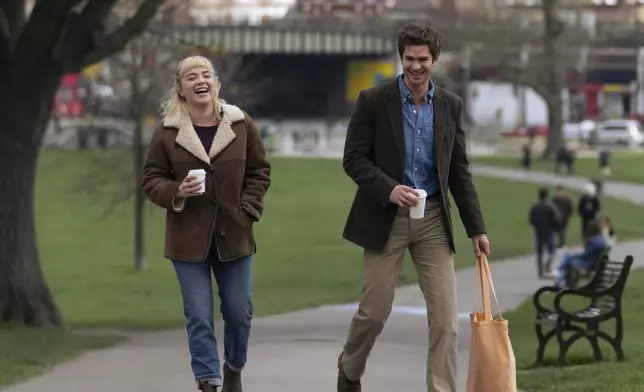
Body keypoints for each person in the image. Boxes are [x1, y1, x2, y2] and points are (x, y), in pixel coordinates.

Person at [338, 24, 490, 392]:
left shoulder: (450, 106)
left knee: (445, 322)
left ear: (435, 60)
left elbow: (459, 170)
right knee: (374, 312)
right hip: (384, 219)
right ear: (401, 58)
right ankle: (350, 369)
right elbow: (353, 159)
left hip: (434, 219)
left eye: (423, 59)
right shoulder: (373, 101)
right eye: (409, 59)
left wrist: (477, 229)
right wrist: (389, 190)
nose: (415, 66)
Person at [141, 56, 271, 392]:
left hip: (235, 234)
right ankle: (208, 381)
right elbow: (151, 178)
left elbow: (260, 170)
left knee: (239, 313)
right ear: (181, 90)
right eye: (190, 77)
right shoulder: (168, 132)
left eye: (206, 75)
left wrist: (248, 208)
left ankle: (234, 368)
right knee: (199, 316)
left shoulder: (240, 125)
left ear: (216, 83)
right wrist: (176, 191)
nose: (200, 81)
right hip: (188, 239)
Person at [553, 219, 610, 288]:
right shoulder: (602, 239)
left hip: (589, 264)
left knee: (569, 259)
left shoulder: (593, 241)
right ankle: (560, 276)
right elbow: (589, 253)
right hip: (595, 263)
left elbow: (585, 255)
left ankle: (559, 278)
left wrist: (574, 254)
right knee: (569, 257)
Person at [529, 187, 561, 278]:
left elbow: (531, 220)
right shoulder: (550, 206)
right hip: (549, 231)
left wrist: (536, 225)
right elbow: (557, 218)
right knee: (552, 250)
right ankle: (548, 264)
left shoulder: (535, 206)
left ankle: (540, 271)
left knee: (540, 252)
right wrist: (556, 227)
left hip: (539, 231)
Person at [551, 184, 573, 248]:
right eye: (559, 191)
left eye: (561, 190)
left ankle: (562, 245)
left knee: (562, 234)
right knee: (555, 235)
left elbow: (570, 210)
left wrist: (567, 217)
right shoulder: (554, 200)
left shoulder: (567, 200)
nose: (560, 192)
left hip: (564, 220)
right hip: (555, 221)